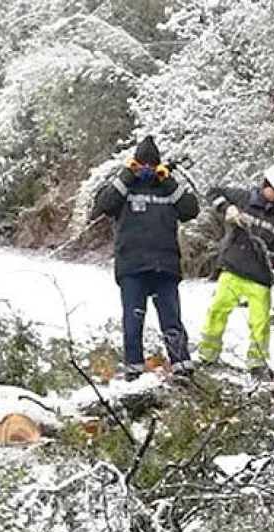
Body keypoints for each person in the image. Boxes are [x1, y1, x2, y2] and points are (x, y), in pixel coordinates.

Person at [91, 135, 200, 381]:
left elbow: (190, 210)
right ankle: (134, 371)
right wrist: (127, 175)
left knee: (171, 320)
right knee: (133, 320)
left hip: (165, 267)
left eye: (152, 165)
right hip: (132, 267)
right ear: (135, 164)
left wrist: (169, 180)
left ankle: (182, 366)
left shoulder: (167, 187)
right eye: (143, 165)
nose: (147, 169)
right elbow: (104, 205)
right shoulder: (124, 186)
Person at [198, 164, 274, 375]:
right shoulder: (243, 198)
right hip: (233, 268)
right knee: (217, 310)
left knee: (260, 323)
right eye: (272, 190)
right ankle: (207, 355)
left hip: (260, 278)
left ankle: (257, 364)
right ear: (265, 184)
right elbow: (213, 192)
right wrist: (226, 208)